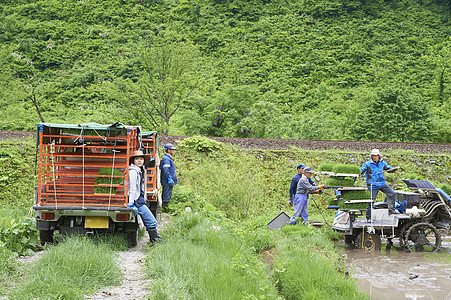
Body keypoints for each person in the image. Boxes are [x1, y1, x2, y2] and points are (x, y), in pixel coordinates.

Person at [128, 150, 163, 244]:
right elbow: (132, 189)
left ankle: (155, 242)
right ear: (133, 161)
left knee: (151, 221)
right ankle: (157, 243)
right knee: (151, 221)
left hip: (138, 199)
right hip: (136, 200)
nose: (139, 161)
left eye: (141, 159)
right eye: (137, 159)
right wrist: (131, 203)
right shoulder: (133, 171)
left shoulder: (138, 170)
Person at [360, 149, 399, 219]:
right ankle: (368, 218)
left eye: (375, 156)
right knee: (370, 201)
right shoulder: (368, 164)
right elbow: (361, 169)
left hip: (381, 183)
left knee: (392, 193)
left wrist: (393, 169)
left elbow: (388, 169)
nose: (374, 157)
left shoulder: (382, 163)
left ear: (379, 156)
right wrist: (360, 172)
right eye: (373, 156)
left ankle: (391, 210)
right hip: (373, 185)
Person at [160, 143, 178, 208]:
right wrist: (169, 178)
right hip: (166, 181)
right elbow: (166, 170)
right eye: (171, 149)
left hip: (168, 181)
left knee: (168, 194)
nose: (173, 151)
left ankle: (165, 207)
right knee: (166, 195)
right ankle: (165, 208)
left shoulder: (168, 158)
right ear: (168, 150)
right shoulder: (166, 159)